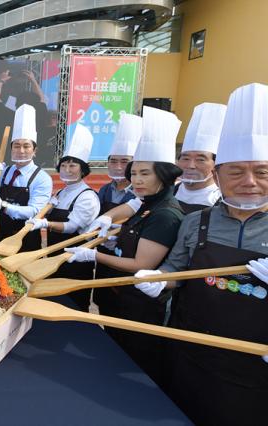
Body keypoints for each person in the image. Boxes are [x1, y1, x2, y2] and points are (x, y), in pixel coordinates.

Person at [133, 83, 268, 425]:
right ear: (218, 175)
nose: (249, 181)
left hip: (255, 369)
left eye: (261, 171)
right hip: (191, 352)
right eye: (236, 171)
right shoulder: (197, 222)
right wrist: (160, 280)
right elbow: (176, 268)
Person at [66, 106, 185, 383]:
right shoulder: (146, 203)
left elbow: (141, 265)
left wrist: (94, 256)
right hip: (119, 296)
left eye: (145, 174)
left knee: (132, 364)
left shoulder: (166, 213)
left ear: (164, 176)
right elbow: (128, 210)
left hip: (139, 306)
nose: (136, 180)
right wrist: (107, 222)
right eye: (134, 174)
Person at [27, 124, 100, 310]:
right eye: (64, 165)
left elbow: (72, 226)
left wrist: (45, 223)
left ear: (83, 170)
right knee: (53, 301)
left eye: (73, 165)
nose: (67, 169)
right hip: (54, 256)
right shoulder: (61, 192)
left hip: (75, 262)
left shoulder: (87, 197)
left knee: (74, 304)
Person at [0, 104, 52, 251]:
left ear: (35, 151)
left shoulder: (42, 178)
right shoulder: (4, 171)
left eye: (26, 146)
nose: (21, 151)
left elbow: (35, 211)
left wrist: (4, 206)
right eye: (16, 146)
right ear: (11, 149)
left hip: (25, 237)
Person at [173, 102, 226, 213]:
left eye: (200, 160)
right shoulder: (169, 192)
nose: (190, 166)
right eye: (185, 158)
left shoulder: (223, 202)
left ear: (216, 165)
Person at [97, 114, 141, 214]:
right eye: (113, 161)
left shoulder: (141, 191)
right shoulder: (104, 189)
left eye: (124, 162)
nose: (118, 167)